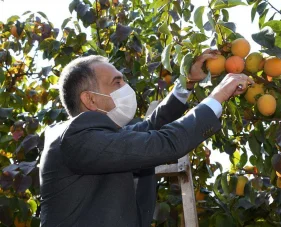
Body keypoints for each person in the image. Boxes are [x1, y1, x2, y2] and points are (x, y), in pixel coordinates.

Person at [39, 51, 253, 227]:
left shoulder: (96, 138)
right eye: (117, 82)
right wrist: (217, 97)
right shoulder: (76, 137)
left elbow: (150, 126)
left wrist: (186, 82)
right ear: (90, 99)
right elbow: (165, 142)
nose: (125, 88)